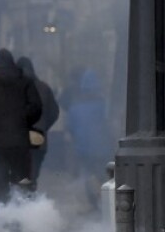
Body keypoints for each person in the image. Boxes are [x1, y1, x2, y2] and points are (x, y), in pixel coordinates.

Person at [0, 49, 42, 206]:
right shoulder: (25, 82)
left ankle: (1, 219)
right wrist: (23, 121)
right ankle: (19, 219)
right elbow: (36, 108)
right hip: (20, 142)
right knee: (20, 182)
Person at [65, 69, 111, 210]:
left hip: (83, 149)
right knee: (104, 175)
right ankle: (106, 202)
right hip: (103, 148)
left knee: (88, 175)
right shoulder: (104, 106)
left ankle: (94, 203)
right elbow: (110, 125)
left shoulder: (74, 108)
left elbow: (70, 129)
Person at [17, 56, 60, 190]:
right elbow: (54, 112)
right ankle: (31, 200)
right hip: (38, 137)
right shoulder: (43, 87)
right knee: (32, 174)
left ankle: (18, 203)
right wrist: (43, 126)